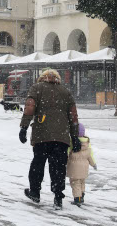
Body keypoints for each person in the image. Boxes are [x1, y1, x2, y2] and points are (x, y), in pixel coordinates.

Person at [19, 68, 80, 210]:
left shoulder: (36, 88)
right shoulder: (65, 92)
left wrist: (24, 127)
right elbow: (73, 116)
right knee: (58, 167)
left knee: (38, 164)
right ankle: (58, 196)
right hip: (61, 137)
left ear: (42, 77)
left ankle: (35, 192)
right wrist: (75, 136)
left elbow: (29, 107)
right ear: (57, 79)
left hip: (42, 135)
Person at [66, 123, 97, 207]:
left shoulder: (71, 142)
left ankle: (77, 199)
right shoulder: (87, 143)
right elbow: (90, 156)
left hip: (74, 168)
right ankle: (82, 196)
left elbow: (67, 153)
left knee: (75, 183)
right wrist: (93, 164)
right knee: (82, 182)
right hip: (84, 168)